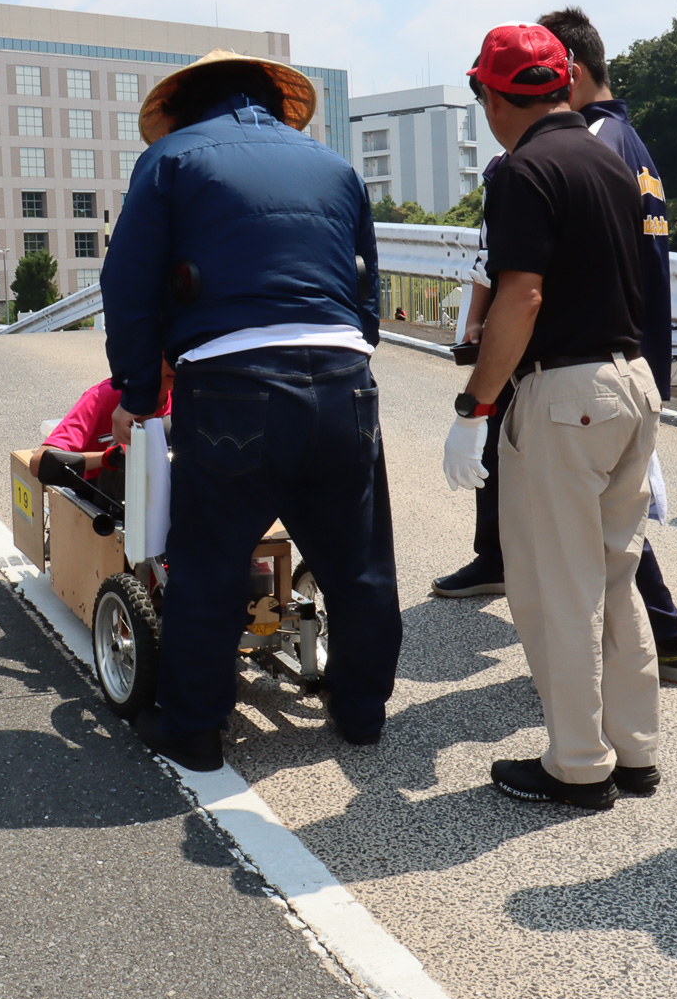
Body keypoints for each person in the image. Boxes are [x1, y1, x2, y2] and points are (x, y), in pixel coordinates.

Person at [100, 49, 401, 772]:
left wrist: (141, 398)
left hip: (233, 382)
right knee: (358, 562)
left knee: (209, 558)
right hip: (341, 376)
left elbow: (129, 284)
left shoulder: (171, 161)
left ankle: (196, 729)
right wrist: (348, 352)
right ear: (269, 99)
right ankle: (361, 712)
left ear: (181, 106)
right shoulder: (332, 165)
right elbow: (366, 286)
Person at [435, 8, 677, 688]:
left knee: (590, 554)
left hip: (577, 371)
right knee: (611, 538)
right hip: (628, 360)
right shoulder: (625, 146)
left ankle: (590, 727)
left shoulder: (573, 148)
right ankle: (635, 709)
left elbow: (528, 285)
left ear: (570, 72)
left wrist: (474, 403)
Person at [444, 24, 660, 810]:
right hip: (630, 382)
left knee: (556, 589)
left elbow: (521, 294)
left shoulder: (521, 170)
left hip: (564, 394)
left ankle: (577, 765)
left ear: (495, 95)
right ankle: (633, 752)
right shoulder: (610, 158)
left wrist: (476, 407)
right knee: (614, 576)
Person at [26, 358, 176, 482]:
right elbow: (38, 464)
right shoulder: (104, 396)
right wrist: (109, 458)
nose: (173, 361)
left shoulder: (184, 397)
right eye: (164, 353)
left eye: (179, 352)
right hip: (103, 499)